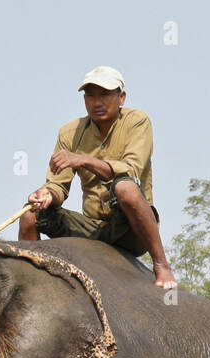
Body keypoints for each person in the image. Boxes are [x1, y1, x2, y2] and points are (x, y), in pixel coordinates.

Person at [19, 66, 178, 290]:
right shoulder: (69, 132)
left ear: (121, 97)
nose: (97, 102)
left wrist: (83, 160)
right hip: (93, 228)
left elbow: (132, 169)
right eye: (90, 96)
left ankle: (162, 266)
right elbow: (58, 186)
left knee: (125, 188)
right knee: (30, 214)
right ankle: (32, 286)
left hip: (130, 230)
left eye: (105, 94)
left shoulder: (137, 121)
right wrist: (45, 195)